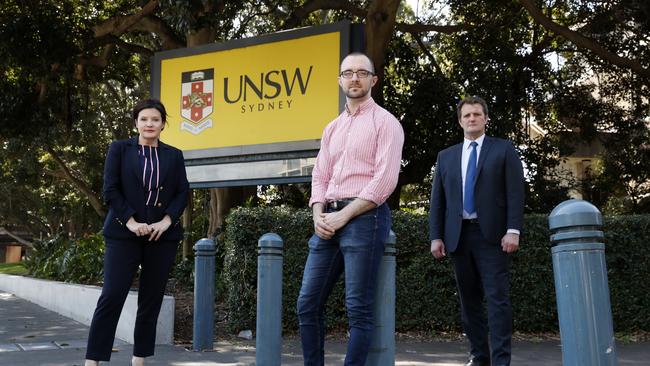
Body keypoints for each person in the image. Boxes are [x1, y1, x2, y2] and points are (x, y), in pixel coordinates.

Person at [296, 52, 404, 366]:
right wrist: (318, 213)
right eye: (347, 73)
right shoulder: (332, 128)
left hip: (365, 218)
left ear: (373, 79)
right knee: (307, 304)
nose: (354, 78)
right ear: (340, 80)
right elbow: (320, 174)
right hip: (327, 218)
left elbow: (384, 180)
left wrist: (344, 214)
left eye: (361, 72)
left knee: (357, 307)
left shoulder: (386, 123)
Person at [85, 99, 189, 366]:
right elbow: (110, 189)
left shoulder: (174, 155)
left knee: (151, 299)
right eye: (144, 119)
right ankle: (93, 360)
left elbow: (182, 193)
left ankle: (139, 359)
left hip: (161, 237)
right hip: (123, 234)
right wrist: (131, 222)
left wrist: (167, 221)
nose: (149, 124)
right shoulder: (120, 149)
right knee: (112, 295)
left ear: (163, 124)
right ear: (136, 123)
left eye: (155, 119)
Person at [428, 96, 524, 366]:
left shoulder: (503, 149)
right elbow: (438, 201)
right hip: (458, 238)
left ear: (485, 118)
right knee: (469, 303)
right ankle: (479, 357)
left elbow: (516, 193)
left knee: (497, 300)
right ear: (460, 121)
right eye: (467, 115)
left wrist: (513, 230)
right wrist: (436, 236)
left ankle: (501, 360)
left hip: (493, 236)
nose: (472, 118)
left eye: (477, 114)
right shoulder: (446, 157)